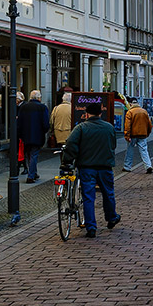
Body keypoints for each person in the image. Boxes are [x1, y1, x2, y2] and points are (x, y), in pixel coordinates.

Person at [62, 101, 121, 238]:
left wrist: (68, 160)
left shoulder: (81, 128)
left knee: (88, 197)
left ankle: (91, 227)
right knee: (108, 193)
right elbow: (113, 145)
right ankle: (111, 217)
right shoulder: (109, 127)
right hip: (105, 166)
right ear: (100, 113)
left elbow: (71, 144)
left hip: (87, 167)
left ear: (86, 114)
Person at [17, 89, 50, 183]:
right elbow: (45, 123)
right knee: (34, 155)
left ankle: (33, 173)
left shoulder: (24, 107)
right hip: (38, 135)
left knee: (29, 154)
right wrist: (45, 131)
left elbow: (19, 123)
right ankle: (31, 175)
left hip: (25, 135)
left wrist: (20, 134)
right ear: (39, 98)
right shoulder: (42, 107)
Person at [123, 98, 153, 173]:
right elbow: (149, 124)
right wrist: (147, 133)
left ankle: (127, 166)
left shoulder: (130, 112)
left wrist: (127, 135)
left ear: (130, 104)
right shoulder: (144, 111)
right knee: (144, 150)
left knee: (130, 150)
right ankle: (148, 165)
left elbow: (128, 125)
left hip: (133, 135)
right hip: (143, 134)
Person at [16, 92, 27, 175]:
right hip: (21, 133)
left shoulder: (22, 107)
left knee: (21, 151)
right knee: (21, 152)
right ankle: (23, 167)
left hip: (21, 133)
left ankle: (19, 168)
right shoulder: (21, 106)